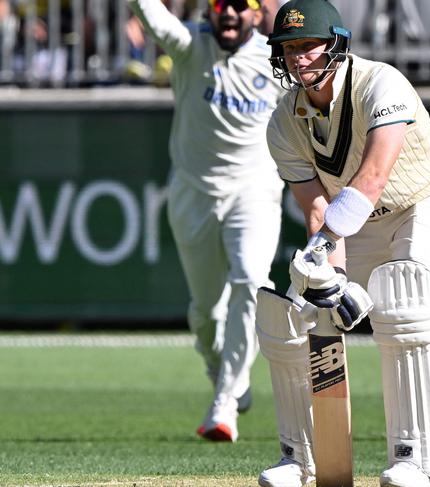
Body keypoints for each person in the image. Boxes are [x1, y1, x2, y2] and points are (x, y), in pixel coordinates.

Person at [254, 1, 430, 486]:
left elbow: (373, 176)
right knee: (292, 313)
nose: (298, 57)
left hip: (428, 200)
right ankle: (300, 458)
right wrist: (327, 276)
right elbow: (315, 207)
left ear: (335, 43)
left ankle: (416, 461)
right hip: (355, 224)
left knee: (406, 298)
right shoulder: (282, 123)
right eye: (288, 48)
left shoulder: (381, 83)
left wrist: (327, 245)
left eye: (308, 45)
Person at [128, 0, 284, 442]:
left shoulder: (276, 60)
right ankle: (219, 367)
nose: (230, 12)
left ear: (258, 13)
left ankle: (226, 401)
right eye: (221, 4)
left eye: (242, 5)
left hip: (253, 191)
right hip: (193, 193)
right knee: (205, 313)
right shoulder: (189, 46)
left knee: (253, 282)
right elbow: (152, 17)